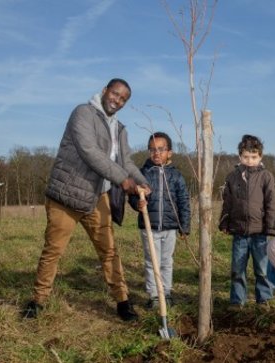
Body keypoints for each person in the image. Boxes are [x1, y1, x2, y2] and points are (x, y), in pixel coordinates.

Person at [23, 78, 151, 321]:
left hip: (97, 197)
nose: (117, 100)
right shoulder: (83, 113)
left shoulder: (120, 129)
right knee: (53, 251)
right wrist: (123, 180)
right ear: (104, 91)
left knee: (110, 251)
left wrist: (141, 181)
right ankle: (37, 301)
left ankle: (123, 302)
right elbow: (90, 152)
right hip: (67, 197)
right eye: (115, 94)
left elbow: (126, 162)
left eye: (123, 99)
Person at [128, 132, 191, 309]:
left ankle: (166, 292)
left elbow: (184, 201)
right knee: (151, 261)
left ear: (169, 152)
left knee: (166, 261)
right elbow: (132, 197)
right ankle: (155, 295)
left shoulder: (176, 176)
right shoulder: (143, 173)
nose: (156, 153)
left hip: (170, 227)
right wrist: (137, 203)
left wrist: (184, 227)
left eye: (161, 149)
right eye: (152, 150)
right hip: (150, 226)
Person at [219, 134, 275, 307]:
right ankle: (237, 301)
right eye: (246, 156)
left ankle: (264, 299)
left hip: (260, 233)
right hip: (239, 232)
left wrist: (271, 228)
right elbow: (227, 202)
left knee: (262, 269)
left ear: (260, 157)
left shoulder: (266, 176)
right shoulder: (232, 177)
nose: (249, 160)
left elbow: (271, 204)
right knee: (238, 269)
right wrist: (224, 222)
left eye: (253, 157)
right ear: (239, 156)